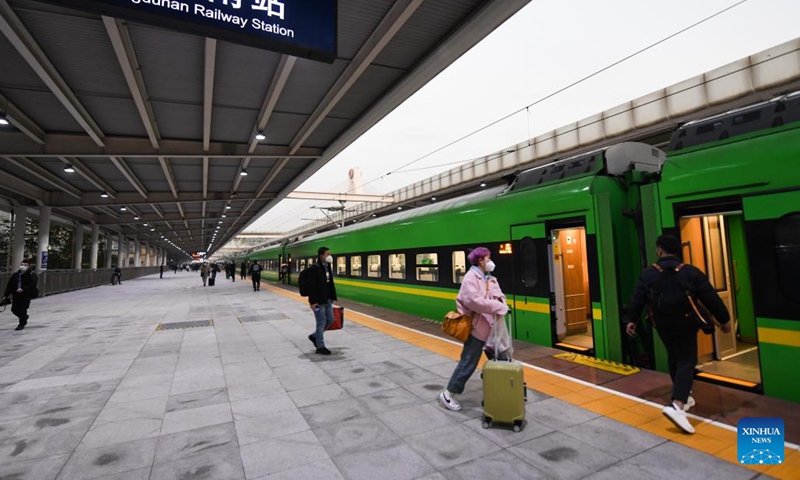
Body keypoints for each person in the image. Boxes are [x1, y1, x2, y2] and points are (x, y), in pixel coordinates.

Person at [626, 234, 730, 434]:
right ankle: (678, 405)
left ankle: (684, 395)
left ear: (659, 250)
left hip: (662, 325)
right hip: (685, 323)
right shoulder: (690, 273)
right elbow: (711, 298)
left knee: (674, 357)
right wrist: (724, 321)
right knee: (687, 361)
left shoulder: (649, 274)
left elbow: (637, 299)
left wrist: (632, 320)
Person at [439, 247, 508, 411]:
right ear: (481, 260)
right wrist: (498, 307)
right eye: (488, 258)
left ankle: (504, 393)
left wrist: (502, 303)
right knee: (468, 363)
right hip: (477, 329)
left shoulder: (489, 278)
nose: (491, 261)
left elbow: (499, 296)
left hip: (492, 329)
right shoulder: (471, 278)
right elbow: (473, 301)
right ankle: (448, 394)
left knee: (502, 361)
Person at [306, 247, 337, 355]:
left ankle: (314, 336)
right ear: (321, 256)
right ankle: (320, 346)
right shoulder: (315, 268)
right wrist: (312, 302)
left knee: (331, 320)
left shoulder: (327, 266)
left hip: (327, 299)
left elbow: (329, 282)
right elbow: (311, 286)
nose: (329, 256)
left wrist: (332, 296)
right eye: (327, 254)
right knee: (321, 322)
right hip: (318, 301)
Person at [3, 259, 38, 331]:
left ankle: (21, 323)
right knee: (14, 309)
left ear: (28, 266)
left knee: (22, 309)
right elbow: (10, 285)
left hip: (26, 295)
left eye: (25, 265)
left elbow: (32, 284)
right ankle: (24, 317)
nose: (23, 266)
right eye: (22, 265)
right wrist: (6, 295)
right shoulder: (16, 275)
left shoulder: (31, 275)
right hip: (16, 294)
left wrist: (24, 289)